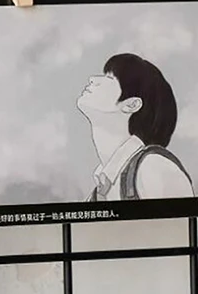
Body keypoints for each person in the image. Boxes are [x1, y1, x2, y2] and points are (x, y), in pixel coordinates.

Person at [76, 53, 194, 201]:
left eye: (110, 78)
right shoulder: (101, 187)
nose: (92, 79)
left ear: (132, 104)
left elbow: (183, 217)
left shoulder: (154, 168)